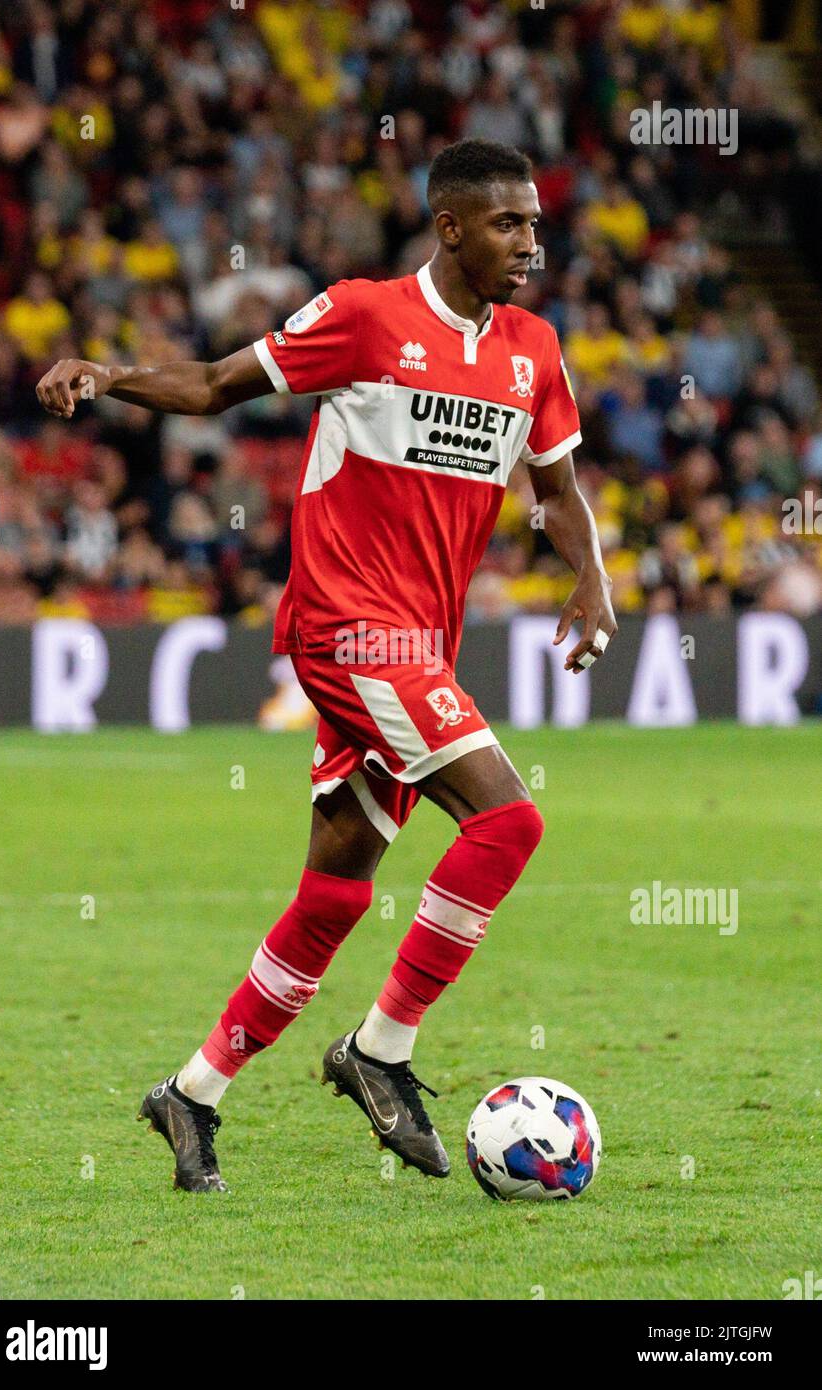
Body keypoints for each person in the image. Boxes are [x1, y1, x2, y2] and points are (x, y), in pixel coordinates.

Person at [37, 139, 616, 1191]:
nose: (530, 243)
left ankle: (191, 1093)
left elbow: (557, 484)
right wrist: (110, 374)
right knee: (507, 819)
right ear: (449, 227)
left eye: (534, 224)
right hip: (349, 626)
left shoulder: (531, 347)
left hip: (417, 643)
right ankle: (379, 1050)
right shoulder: (362, 315)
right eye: (506, 224)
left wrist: (592, 578)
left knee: (336, 888)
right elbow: (217, 385)